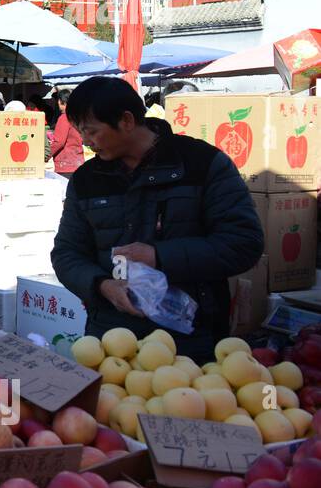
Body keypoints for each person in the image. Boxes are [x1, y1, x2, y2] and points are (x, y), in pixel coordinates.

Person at [50, 77, 264, 363]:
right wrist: (102, 286)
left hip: (190, 340)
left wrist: (159, 255)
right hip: (112, 337)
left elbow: (244, 244)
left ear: (126, 121)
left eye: (91, 131)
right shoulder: (87, 180)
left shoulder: (202, 164)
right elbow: (66, 253)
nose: (86, 142)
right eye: (81, 132)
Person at [51, 88, 85, 175]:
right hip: (78, 162)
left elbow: (59, 142)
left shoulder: (64, 118)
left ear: (61, 101)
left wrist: (45, 155)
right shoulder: (77, 117)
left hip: (65, 166)